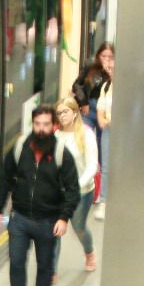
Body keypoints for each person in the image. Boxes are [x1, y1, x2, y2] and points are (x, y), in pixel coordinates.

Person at [0, 106, 80, 286]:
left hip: (48, 221)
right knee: (17, 263)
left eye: (46, 125)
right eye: (37, 124)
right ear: (33, 124)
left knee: (45, 266)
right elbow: (5, 176)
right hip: (20, 218)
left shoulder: (61, 154)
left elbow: (73, 189)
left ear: (54, 126)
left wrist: (64, 218)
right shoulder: (21, 148)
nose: (41, 129)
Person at [53, 97, 100, 275]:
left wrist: (74, 186)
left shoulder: (86, 135)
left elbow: (92, 166)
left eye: (65, 111)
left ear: (74, 112)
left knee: (78, 227)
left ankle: (89, 252)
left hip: (82, 191)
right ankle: (51, 270)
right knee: (55, 229)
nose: (62, 116)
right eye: (59, 113)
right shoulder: (57, 136)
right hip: (59, 192)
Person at [74, 43, 114, 210]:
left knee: (101, 151)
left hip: (104, 111)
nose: (106, 60)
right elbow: (77, 85)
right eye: (103, 56)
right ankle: (83, 187)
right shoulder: (91, 65)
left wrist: (110, 71)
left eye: (109, 57)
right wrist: (83, 102)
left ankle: (100, 192)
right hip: (89, 108)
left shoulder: (113, 72)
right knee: (86, 146)